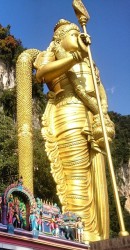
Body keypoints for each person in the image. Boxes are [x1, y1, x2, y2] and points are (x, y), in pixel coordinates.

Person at [34, 19, 115, 242]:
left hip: (90, 116)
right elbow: (42, 74)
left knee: (95, 175)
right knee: (76, 178)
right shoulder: (51, 52)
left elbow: (99, 94)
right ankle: (80, 232)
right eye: (74, 34)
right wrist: (70, 59)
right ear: (60, 39)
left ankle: (99, 233)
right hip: (67, 114)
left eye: (80, 34)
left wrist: (102, 115)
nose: (80, 37)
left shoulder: (89, 64)